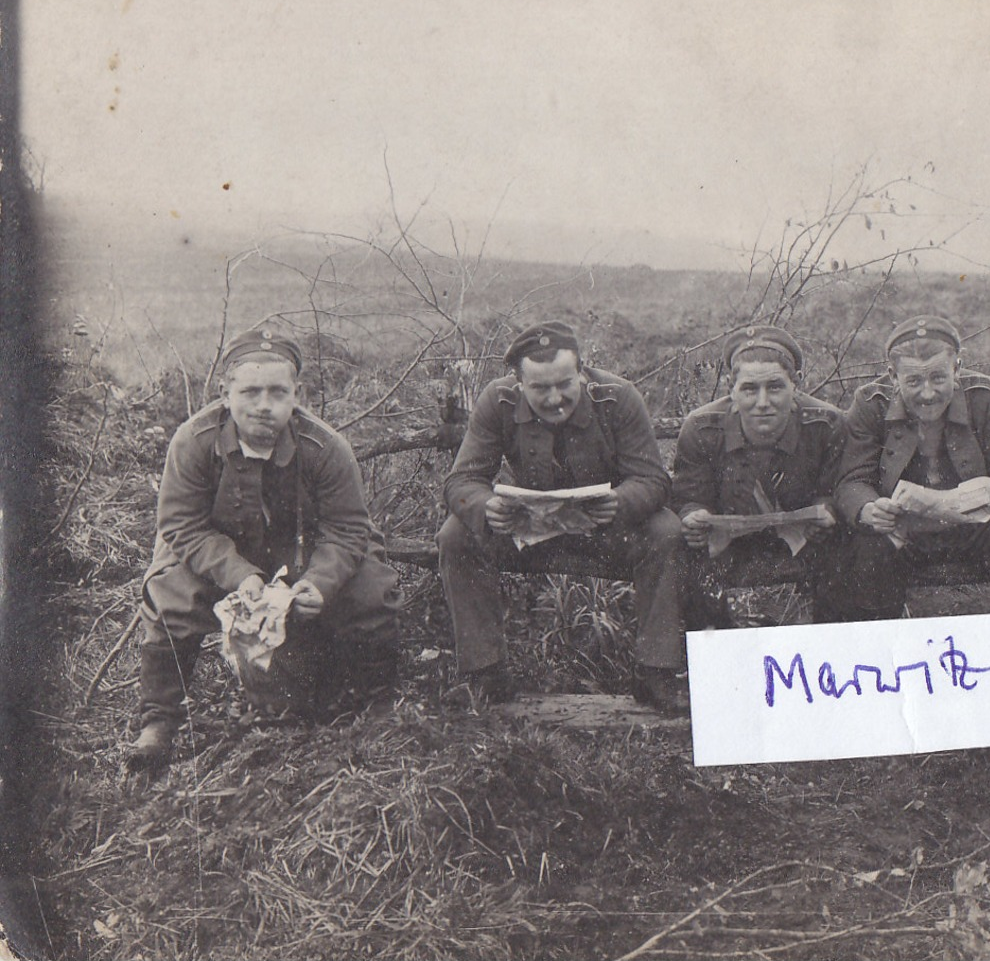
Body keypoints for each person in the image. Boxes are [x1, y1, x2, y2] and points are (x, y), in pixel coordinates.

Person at [129, 328, 402, 770]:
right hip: (216, 557)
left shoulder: (325, 447)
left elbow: (349, 529)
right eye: (250, 391)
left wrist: (320, 582)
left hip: (304, 557)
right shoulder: (194, 442)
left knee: (371, 586)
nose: (263, 405)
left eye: (278, 392)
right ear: (224, 392)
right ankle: (159, 722)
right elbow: (181, 526)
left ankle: (379, 703)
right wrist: (239, 575)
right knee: (170, 593)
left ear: (299, 393)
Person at [436, 321, 690, 711]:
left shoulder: (619, 398)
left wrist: (621, 502)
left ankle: (656, 672)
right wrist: (487, 508)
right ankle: (484, 673)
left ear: (583, 374)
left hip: (607, 531)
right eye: (539, 388)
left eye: (565, 384)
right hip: (528, 534)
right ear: (519, 384)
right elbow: (462, 481)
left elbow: (653, 478)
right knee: (456, 534)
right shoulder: (498, 400)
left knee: (666, 531)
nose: (555, 398)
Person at [824, 315, 990, 620]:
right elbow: (852, 479)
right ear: (892, 376)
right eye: (913, 381)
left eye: (939, 378)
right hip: (904, 532)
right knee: (866, 552)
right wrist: (868, 508)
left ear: (957, 368)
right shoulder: (870, 403)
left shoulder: (984, 396)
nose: (927, 393)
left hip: (974, 528)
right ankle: (884, 658)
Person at [670, 325, 844, 623]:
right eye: (749, 389)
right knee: (683, 556)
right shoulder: (702, 428)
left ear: (796, 384)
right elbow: (689, 495)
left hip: (804, 544)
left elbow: (838, 487)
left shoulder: (825, 425)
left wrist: (827, 512)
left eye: (775, 387)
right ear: (730, 388)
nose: (763, 403)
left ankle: (829, 654)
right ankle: (713, 656)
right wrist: (693, 515)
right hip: (728, 546)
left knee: (848, 551)